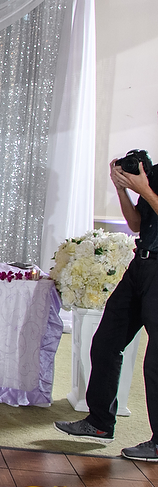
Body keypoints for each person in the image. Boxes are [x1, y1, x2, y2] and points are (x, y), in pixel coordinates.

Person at [55, 150, 158, 462]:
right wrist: (122, 189)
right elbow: (136, 224)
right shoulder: (154, 172)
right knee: (105, 343)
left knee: (155, 363)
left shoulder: (150, 183)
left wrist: (144, 190)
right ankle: (99, 423)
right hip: (140, 267)